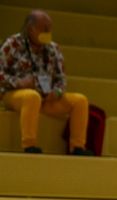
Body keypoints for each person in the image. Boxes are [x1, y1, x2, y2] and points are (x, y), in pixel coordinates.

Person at [0, 10, 91, 154]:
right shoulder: (12, 44)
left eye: (50, 28)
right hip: (16, 94)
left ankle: (77, 147)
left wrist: (58, 91)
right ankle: (29, 144)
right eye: (44, 28)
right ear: (30, 28)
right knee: (31, 97)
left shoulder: (53, 48)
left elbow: (61, 78)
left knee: (80, 101)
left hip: (46, 98)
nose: (48, 32)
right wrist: (18, 82)